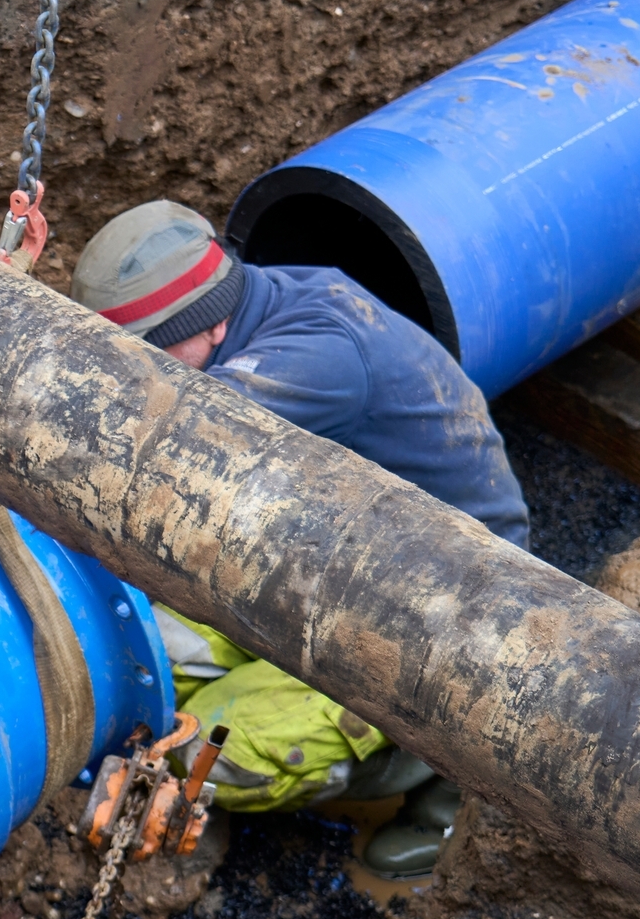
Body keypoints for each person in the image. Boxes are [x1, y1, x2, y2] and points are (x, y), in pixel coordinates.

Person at [70, 201, 530, 876]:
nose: (138, 378)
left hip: (438, 619)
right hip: (323, 559)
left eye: (149, 356)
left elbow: (165, 441)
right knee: (137, 657)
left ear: (210, 322)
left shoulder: (317, 355)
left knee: (202, 754)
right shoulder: (252, 305)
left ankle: (444, 782)